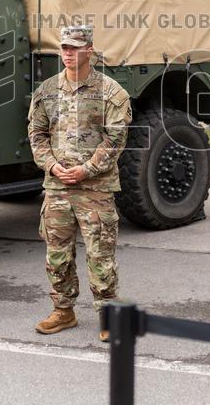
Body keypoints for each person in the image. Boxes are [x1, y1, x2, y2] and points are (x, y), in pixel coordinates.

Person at [27, 25, 132, 343]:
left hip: (95, 189)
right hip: (57, 186)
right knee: (56, 254)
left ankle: (107, 315)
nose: (68, 53)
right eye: (64, 47)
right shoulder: (46, 90)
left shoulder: (111, 91)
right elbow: (37, 134)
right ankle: (63, 310)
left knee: (100, 255)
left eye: (74, 47)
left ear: (89, 50)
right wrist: (52, 165)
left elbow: (115, 140)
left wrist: (86, 170)